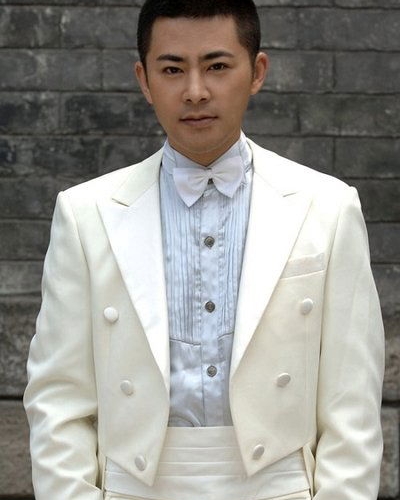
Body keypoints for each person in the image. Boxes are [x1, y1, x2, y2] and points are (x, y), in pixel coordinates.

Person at [24, 0, 385, 499]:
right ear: (144, 79)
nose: (195, 91)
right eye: (172, 69)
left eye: (217, 66)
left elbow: (352, 400)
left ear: (257, 72)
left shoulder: (327, 207)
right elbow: (58, 398)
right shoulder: (87, 213)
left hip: (280, 488)